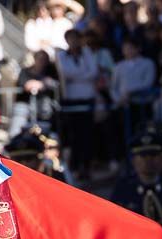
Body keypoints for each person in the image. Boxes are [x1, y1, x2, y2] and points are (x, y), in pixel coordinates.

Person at [56, 27, 100, 180]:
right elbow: (66, 72)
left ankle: (86, 166)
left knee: (87, 134)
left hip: (87, 98)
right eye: (71, 39)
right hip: (71, 101)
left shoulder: (87, 53)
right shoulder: (62, 55)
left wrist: (77, 76)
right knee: (74, 135)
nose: (74, 42)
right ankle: (75, 167)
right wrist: (83, 75)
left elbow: (93, 72)